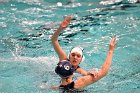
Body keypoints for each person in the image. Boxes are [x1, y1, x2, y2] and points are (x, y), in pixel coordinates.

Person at [51, 16, 116, 90]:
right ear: (69, 56)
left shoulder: (60, 88)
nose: (75, 57)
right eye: (73, 55)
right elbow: (103, 72)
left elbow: (54, 40)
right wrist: (111, 50)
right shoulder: (79, 83)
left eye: (78, 56)